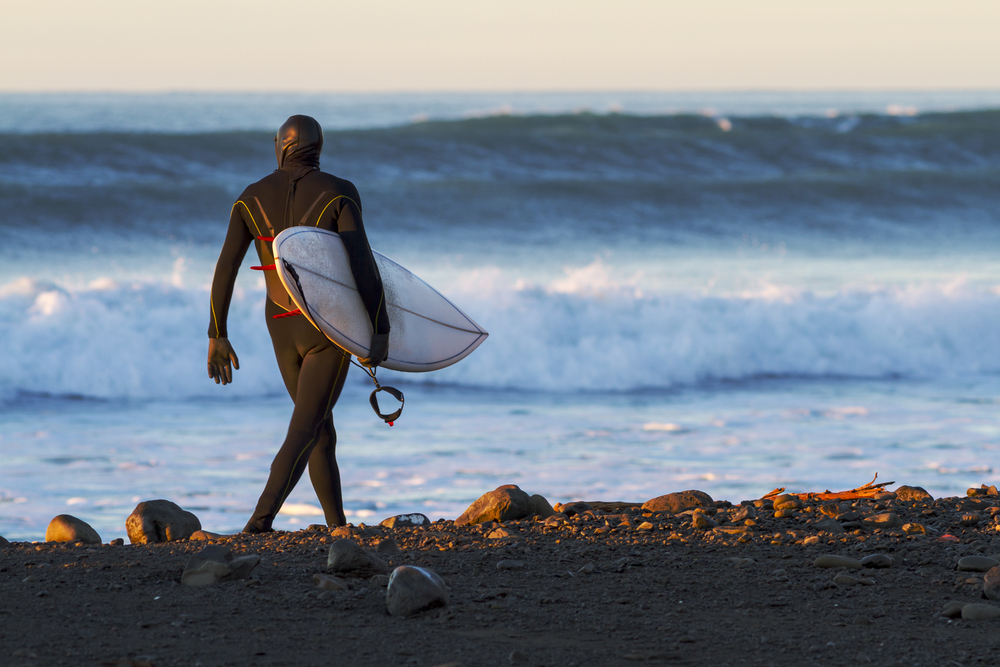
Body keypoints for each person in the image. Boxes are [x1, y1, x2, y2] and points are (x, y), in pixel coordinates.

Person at [206, 115, 390, 533]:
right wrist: (380, 329)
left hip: (279, 323)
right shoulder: (339, 193)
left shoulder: (249, 198)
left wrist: (217, 334)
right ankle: (259, 522)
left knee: (318, 427)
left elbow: (225, 268)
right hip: (325, 326)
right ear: (318, 147)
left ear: (280, 145)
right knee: (307, 426)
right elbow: (363, 266)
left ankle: (336, 526)